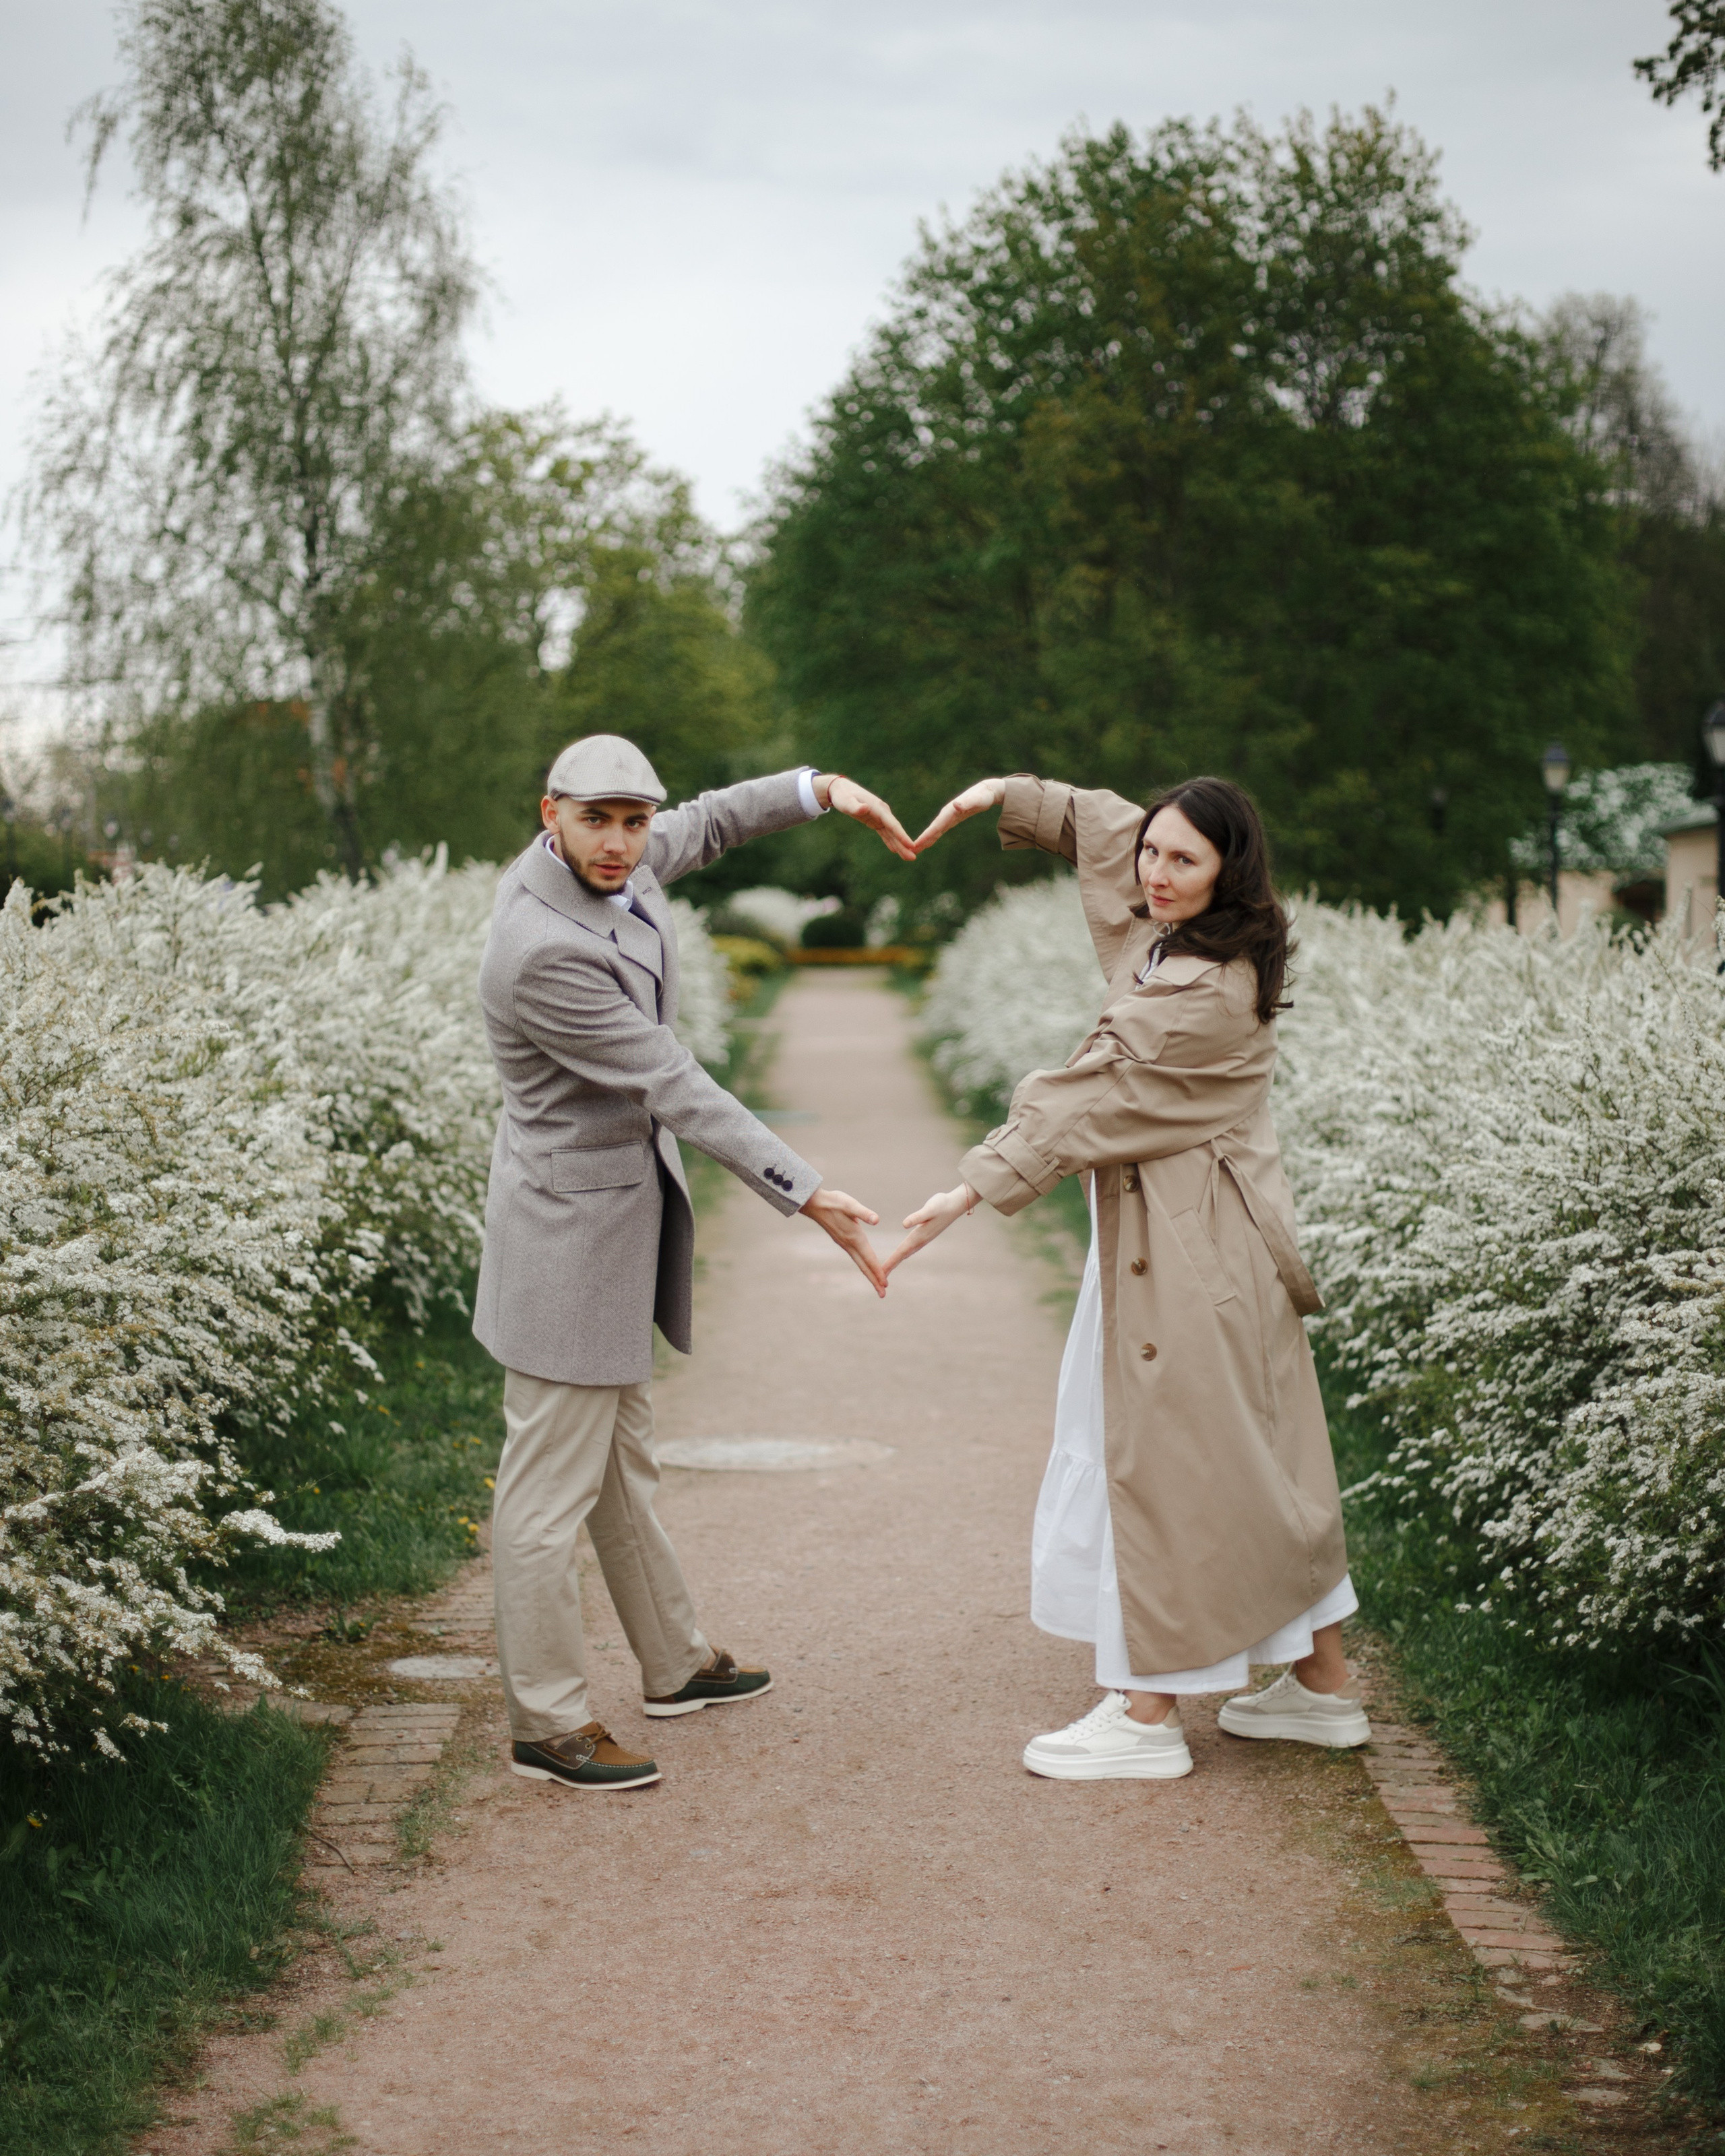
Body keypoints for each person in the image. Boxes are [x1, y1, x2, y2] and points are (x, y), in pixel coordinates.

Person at [887, 772, 1369, 1780]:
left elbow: (1088, 1090)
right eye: (1154, 851)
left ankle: (1147, 1714)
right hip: (1217, 1244)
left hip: (1189, 1262)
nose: (1154, 872)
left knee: (1157, 1462)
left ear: (1227, 873)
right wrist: (1006, 796)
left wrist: (966, 1190)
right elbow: (1113, 833)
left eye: (1183, 859)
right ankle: (1322, 1689)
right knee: (1261, 1461)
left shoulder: (1197, 990)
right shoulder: (1199, 939)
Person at [475, 734, 913, 1792]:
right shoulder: (544, 946)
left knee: (622, 1465)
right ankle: (548, 1724)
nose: (624, 843)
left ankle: (671, 1665)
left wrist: (821, 789)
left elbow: (710, 820)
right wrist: (806, 1192)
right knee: (544, 1500)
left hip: (608, 1228)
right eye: (599, 821)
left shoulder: (607, 864)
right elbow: (671, 1081)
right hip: (568, 1247)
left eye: (634, 821)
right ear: (552, 813)